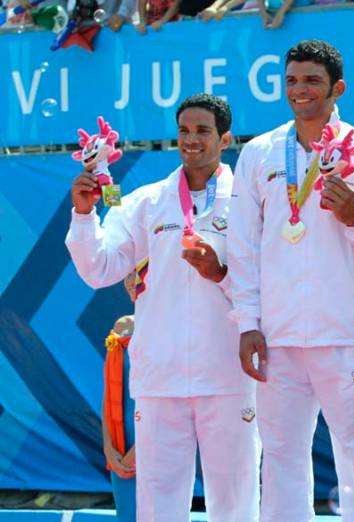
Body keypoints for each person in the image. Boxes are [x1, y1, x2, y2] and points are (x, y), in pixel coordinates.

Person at [65, 93, 259, 522]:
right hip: (161, 378)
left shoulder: (248, 202)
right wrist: (83, 215)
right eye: (184, 131)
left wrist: (219, 272)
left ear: (225, 137)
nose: (191, 140)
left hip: (227, 373)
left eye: (203, 131)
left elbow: (265, 283)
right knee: (158, 501)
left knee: (235, 499)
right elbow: (100, 268)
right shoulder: (145, 202)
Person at [228, 39, 354, 522]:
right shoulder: (260, 152)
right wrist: (248, 323)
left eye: (312, 81)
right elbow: (243, 246)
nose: (300, 91)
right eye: (293, 81)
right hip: (277, 337)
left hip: (346, 333)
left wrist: (353, 215)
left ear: (337, 87)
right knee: (279, 462)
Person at [102, 273, 140, 522]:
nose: (131, 281)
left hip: (162, 441)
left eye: (139, 273)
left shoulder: (176, 330)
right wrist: (108, 446)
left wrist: (142, 448)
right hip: (121, 448)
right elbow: (109, 394)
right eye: (128, 274)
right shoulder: (122, 327)